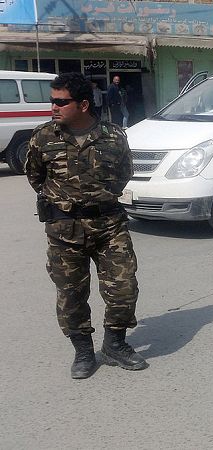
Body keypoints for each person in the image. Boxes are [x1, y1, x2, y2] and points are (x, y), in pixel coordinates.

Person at [24, 72, 146, 379]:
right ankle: (83, 351)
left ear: (83, 104)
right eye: (52, 100)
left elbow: (124, 173)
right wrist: (65, 203)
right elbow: (35, 177)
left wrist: (98, 200)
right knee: (71, 295)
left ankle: (115, 344)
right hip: (64, 229)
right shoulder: (43, 137)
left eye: (61, 102)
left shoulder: (113, 136)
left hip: (109, 226)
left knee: (123, 287)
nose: (53, 107)